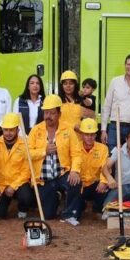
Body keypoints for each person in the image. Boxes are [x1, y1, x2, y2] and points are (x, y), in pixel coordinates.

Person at [27, 95, 81, 223]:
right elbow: (27, 153)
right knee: (48, 215)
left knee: (75, 182)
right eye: (46, 113)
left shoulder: (67, 129)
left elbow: (76, 153)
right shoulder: (35, 130)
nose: (48, 116)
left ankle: (69, 214)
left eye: (52, 113)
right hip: (43, 179)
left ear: (59, 114)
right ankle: (56, 196)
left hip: (61, 173)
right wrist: (43, 151)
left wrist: (74, 170)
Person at [61, 118, 110, 223]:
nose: (89, 137)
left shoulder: (103, 149)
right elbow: (69, 167)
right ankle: (76, 209)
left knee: (106, 188)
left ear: (96, 135)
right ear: (82, 134)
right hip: (80, 185)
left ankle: (97, 209)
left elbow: (105, 167)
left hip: (95, 185)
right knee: (77, 210)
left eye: (92, 134)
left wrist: (103, 182)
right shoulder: (75, 147)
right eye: (87, 134)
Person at [0, 113, 35, 219]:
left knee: (26, 197)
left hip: (18, 183)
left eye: (11, 130)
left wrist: (13, 187)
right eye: (6, 130)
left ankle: (22, 209)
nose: (8, 133)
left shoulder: (25, 144)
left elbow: (26, 171)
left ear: (17, 130)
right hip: (1, 185)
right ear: (2, 130)